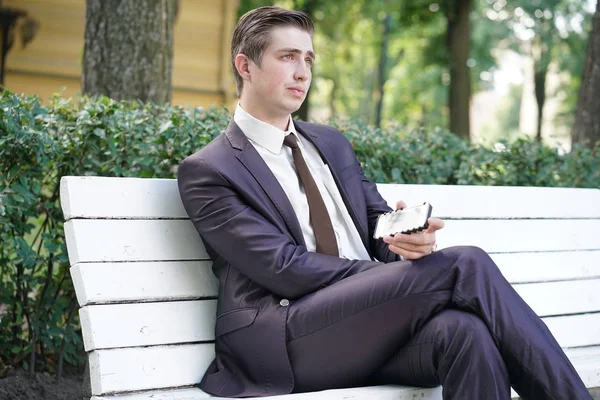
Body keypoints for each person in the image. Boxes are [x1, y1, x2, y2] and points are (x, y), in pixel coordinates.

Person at [177, 6, 591, 400]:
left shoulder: (329, 144)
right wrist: (395, 279)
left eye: (308, 58)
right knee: (466, 264)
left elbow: (375, 222)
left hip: (363, 324)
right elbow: (283, 270)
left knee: (466, 332)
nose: (302, 72)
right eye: (287, 57)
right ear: (244, 65)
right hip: (284, 339)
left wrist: (404, 240)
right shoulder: (211, 170)